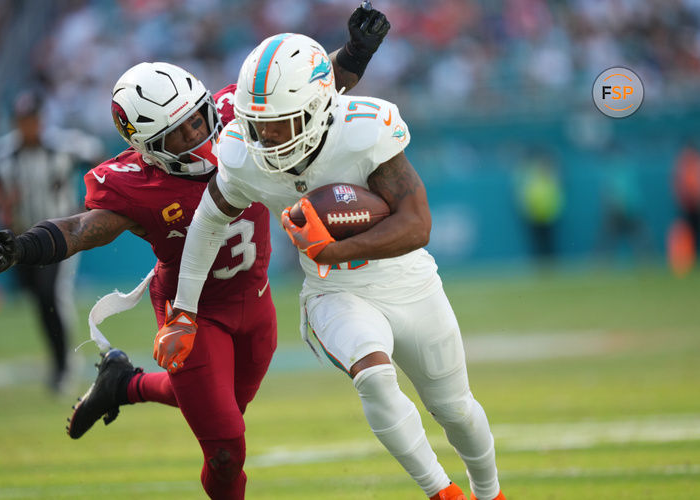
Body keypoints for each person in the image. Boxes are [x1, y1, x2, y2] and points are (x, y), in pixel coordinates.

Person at [0, 6, 390, 499]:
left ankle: (124, 385)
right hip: (191, 315)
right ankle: (130, 389)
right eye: (178, 133)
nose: (198, 134)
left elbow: (306, 91)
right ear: (149, 146)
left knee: (218, 409)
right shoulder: (138, 184)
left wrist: (356, 51)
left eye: (197, 119)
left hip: (256, 302)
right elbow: (82, 228)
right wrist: (23, 246)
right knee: (225, 446)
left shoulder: (234, 115)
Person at [160, 33, 505, 500]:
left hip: (406, 278)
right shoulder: (243, 155)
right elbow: (207, 221)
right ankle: (442, 492)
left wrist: (333, 247)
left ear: (319, 107)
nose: (267, 137)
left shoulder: (363, 130)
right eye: (258, 125)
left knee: (455, 409)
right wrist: (183, 310)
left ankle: (490, 492)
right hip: (333, 291)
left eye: (281, 123)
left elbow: (418, 224)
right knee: (374, 377)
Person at [0, 89, 105, 393]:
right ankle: (59, 361)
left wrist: (89, 206)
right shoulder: (4, 152)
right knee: (40, 298)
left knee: (52, 294)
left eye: (33, 119)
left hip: (61, 234)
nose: (29, 126)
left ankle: (64, 365)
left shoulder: (65, 145)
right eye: (23, 120)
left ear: (42, 120)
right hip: (23, 238)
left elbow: (101, 162)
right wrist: (1, 204)